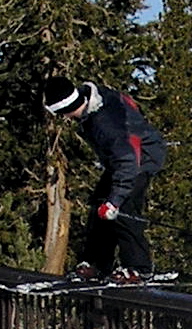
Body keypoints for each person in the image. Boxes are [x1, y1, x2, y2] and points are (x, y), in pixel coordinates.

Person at [42, 74, 168, 283]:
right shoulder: (94, 99)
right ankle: (97, 263)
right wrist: (139, 130)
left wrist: (115, 201)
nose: (63, 119)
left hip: (138, 162)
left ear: (65, 109)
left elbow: (128, 163)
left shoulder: (105, 125)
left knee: (123, 210)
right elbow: (128, 102)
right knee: (100, 204)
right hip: (127, 154)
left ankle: (139, 268)